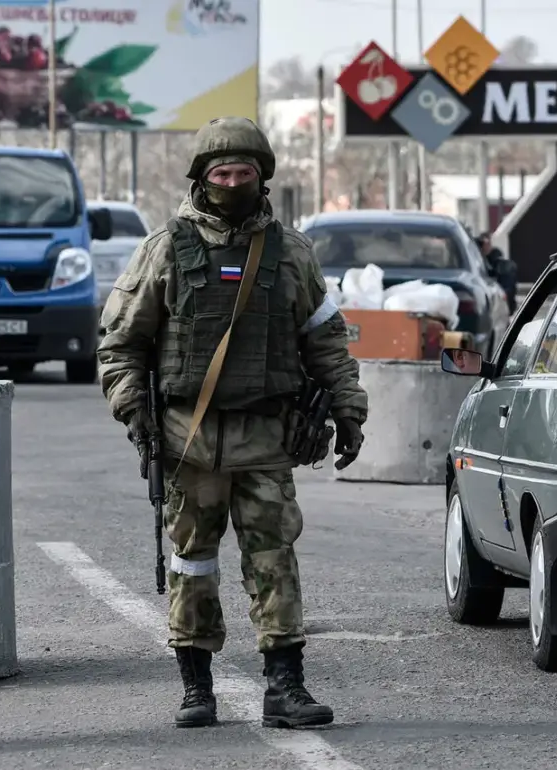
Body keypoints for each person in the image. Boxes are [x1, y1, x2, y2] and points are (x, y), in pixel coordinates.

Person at [96, 116, 369, 730]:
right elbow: (121, 343)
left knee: (274, 559)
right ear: (201, 177)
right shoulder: (164, 249)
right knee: (191, 561)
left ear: (261, 176)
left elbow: (327, 343)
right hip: (185, 438)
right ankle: (196, 687)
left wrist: (348, 409)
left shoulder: (291, 252)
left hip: (266, 435)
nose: (232, 182)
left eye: (244, 172)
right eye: (222, 173)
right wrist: (133, 409)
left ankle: (285, 687)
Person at [475, 231, 518, 314]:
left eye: (488, 243)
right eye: (483, 244)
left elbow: (507, 288)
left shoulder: (497, 261)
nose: (486, 246)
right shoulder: (475, 260)